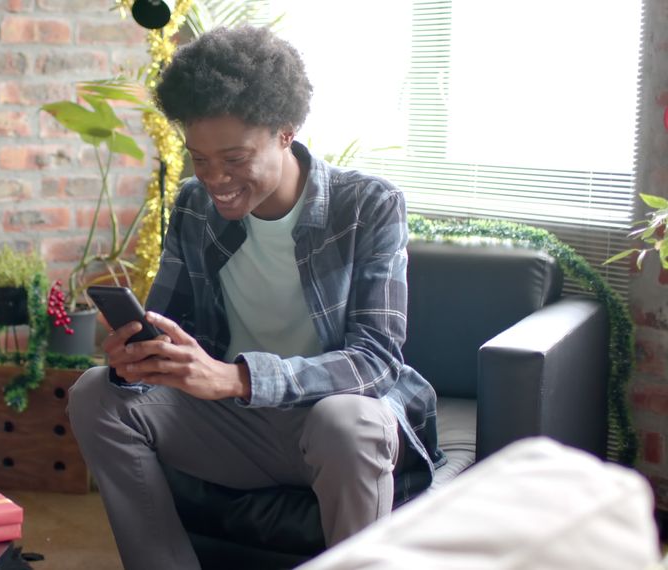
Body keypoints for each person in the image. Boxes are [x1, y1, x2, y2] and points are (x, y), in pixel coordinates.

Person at [66, 26, 445, 570]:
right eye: (199, 159)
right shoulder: (195, 207)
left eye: (235, 158)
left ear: (285, 132)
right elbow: (168, 325)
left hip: (332, 425)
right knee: (96, 395)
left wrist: (239, 378)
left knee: (345, 423)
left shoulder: (367, 206)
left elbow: (376, 360)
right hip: (239, 426)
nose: (215, 178)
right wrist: (137, 359)